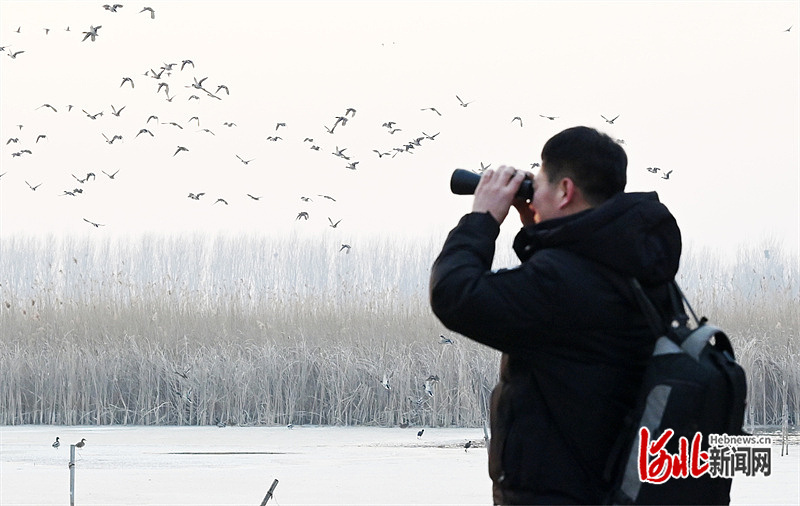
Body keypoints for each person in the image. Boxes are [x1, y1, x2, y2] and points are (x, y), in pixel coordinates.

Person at [429, 126, 682, 504]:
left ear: (565, 191)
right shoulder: (637, 268)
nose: (534, 190)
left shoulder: (564, 284)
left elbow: (455, 294)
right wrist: (543, 232)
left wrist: (481, 219)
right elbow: (563, 313)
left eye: (540, 180)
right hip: (611, 489)